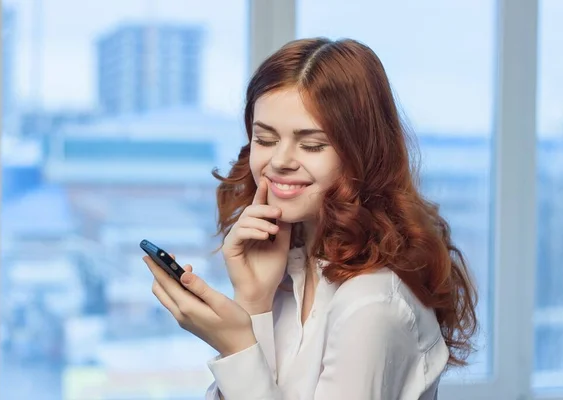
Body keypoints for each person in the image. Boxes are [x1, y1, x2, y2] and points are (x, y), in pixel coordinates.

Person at [143, 37, 478, 400]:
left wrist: (237, 345)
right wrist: (254, 301)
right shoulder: (285, 274)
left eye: (312, 145)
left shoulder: (372, 304)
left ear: (361, 153)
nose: (280, 161)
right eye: (265, 139)